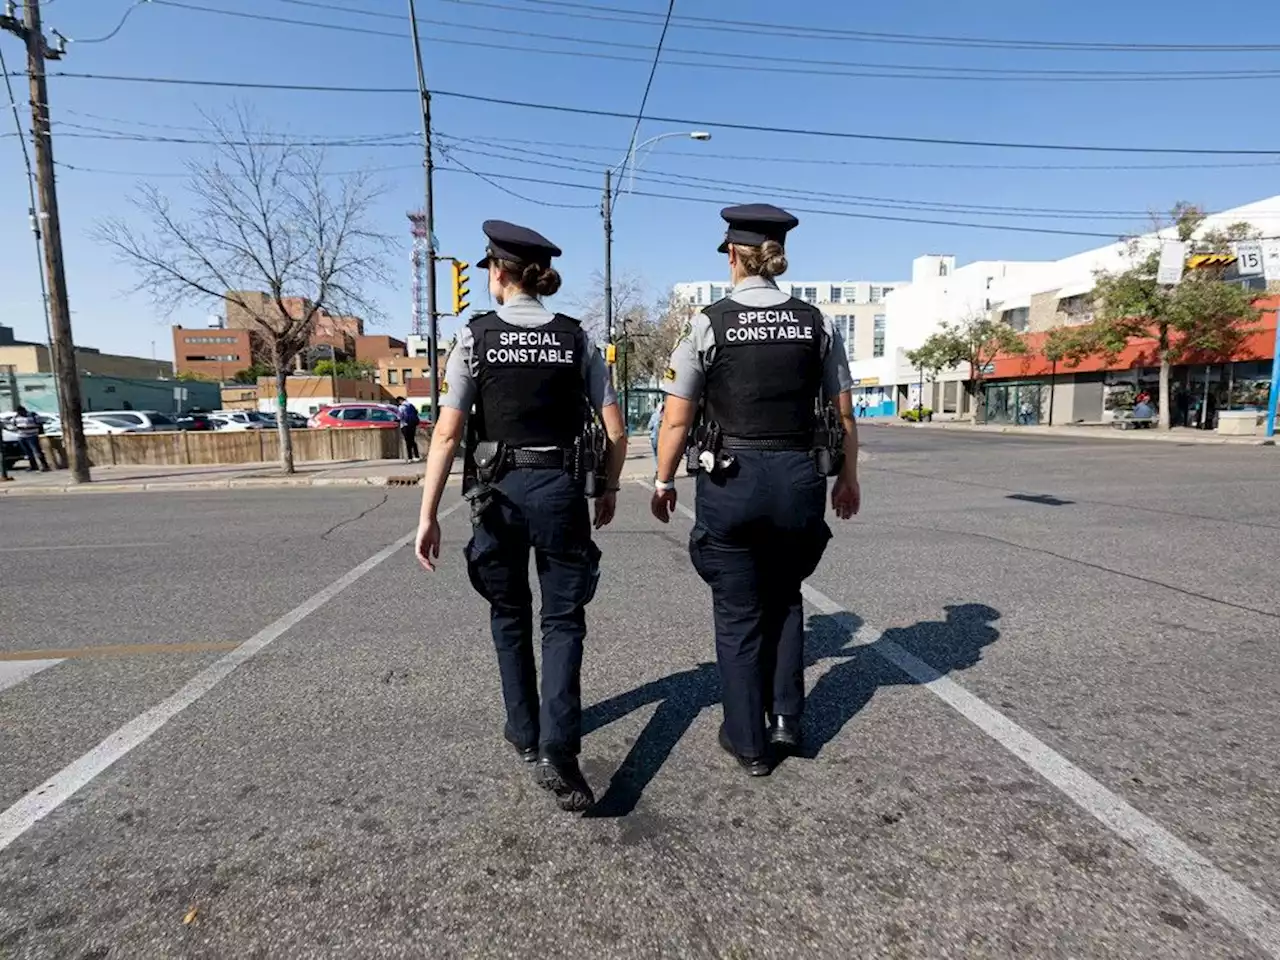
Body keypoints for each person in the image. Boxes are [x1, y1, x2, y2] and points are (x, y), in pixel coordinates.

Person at [415, 220, 627, 812]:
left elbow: (448, 432)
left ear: (500, 272)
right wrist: (607, 488)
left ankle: (525, 734)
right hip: (561, 491)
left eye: (487, 268)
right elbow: (615, 428)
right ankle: (561, 749)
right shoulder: (577, 339)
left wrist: (428, 514)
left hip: (497, 494)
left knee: (509, 614)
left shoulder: (474, 339)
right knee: (563, 622)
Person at [651, 203, 860, 777]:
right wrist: (849, 477)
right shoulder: (817, 322)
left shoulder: (710, 322)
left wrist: (664, 479)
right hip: (798, 479)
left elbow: (676, 418)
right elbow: (843, 415)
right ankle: (788, 720)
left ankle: (748, 741)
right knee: (786, 595)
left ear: (736, 256)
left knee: (739, 610)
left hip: (732, 479)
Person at [13, 406, 50, 472]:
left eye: (21, 412)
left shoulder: (32, 415)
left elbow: (40, 423)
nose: (20, 413)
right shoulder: (16, 417)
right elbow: (14, 425)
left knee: (37, 451)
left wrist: (29, 427)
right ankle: (33, 466)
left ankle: (44, 465)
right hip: (22, 436)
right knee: (28, 453)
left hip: (32, 436)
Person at [395, 396, 421, 462]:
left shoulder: (401, 407)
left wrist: (396, 420)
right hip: (413, 424)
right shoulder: (411, 405)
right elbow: (416, 412)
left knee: (408, 441)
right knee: (413, 440)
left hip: (405, 425)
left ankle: (410, 457)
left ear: (400, 401)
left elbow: (400, 416)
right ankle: (417, 456)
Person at [648, 398, 664, 462]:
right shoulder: (666, 416)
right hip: (663, 437)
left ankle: (658, 468)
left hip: (654, 437)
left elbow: (649, 426)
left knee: (656, 454)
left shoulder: (654, 415)